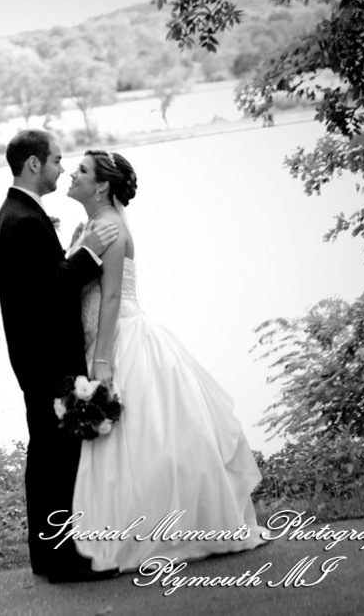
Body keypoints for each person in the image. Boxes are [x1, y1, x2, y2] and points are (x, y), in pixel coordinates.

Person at [63, 149, 268, 573]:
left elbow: (114, 296)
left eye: (81, 170)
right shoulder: (97, 226)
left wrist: (102, 360)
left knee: (145, 439)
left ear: (101, 185)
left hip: (120, 342)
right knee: (131, 445)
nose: (73, 173)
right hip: (103, 338)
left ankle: (152, 536)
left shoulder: (111, 228)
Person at [0, 130, 119, 583]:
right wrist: (88, 254)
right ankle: (64, 561)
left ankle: (48, 557)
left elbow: (37, 281)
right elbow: (46, 291)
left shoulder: (15, 213)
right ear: (33, 165)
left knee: (45, 458)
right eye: (57, 161)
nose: (62, 169)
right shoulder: (22, 220)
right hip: (47, 359)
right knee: (59, 461)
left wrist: (71, 253)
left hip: (34, 356)